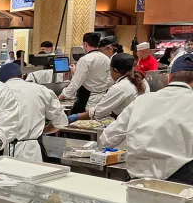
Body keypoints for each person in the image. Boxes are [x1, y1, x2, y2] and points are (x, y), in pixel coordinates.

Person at [99, 54, 193, 182]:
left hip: (138, 183)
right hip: (181, 187)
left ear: (169, 78)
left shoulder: (142, 101)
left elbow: (107, 139)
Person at [0, 63, 67, 161]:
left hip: (4, 150)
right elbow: (61, 122)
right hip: (33, 152)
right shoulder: (42, 90)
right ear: (22, 76)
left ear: (0, 80)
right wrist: (43, 130)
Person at [68, 53, 149, 123]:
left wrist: (75, 117)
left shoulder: (120, 87)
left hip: (128, 125)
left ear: (115, 70)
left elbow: (98, 112)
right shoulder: (143, 81)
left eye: (109, 72)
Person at [59, 32, 111, 114]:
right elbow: (104, 79)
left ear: (85, 44)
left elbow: (75, 83)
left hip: (87, 100)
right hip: (103, 99)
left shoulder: (85, 59)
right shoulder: (106, 59)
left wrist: (61, 97)